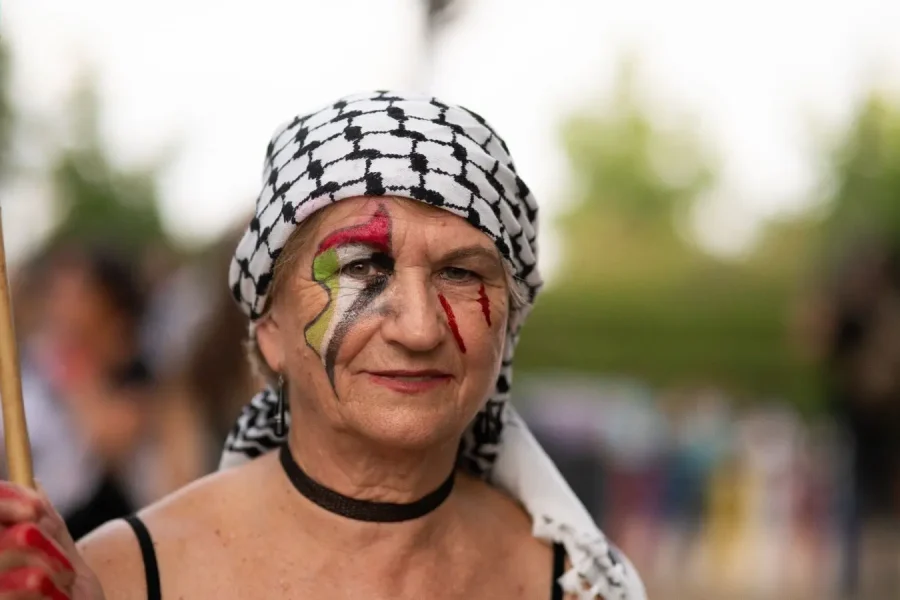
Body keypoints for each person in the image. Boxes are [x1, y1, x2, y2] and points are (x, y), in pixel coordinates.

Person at [0, 92, 645, 599]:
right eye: (362, 268)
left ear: (507, 322)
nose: (418, 328)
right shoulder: (120, 577)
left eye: (461, 273)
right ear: (269, 329)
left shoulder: (576, 583)